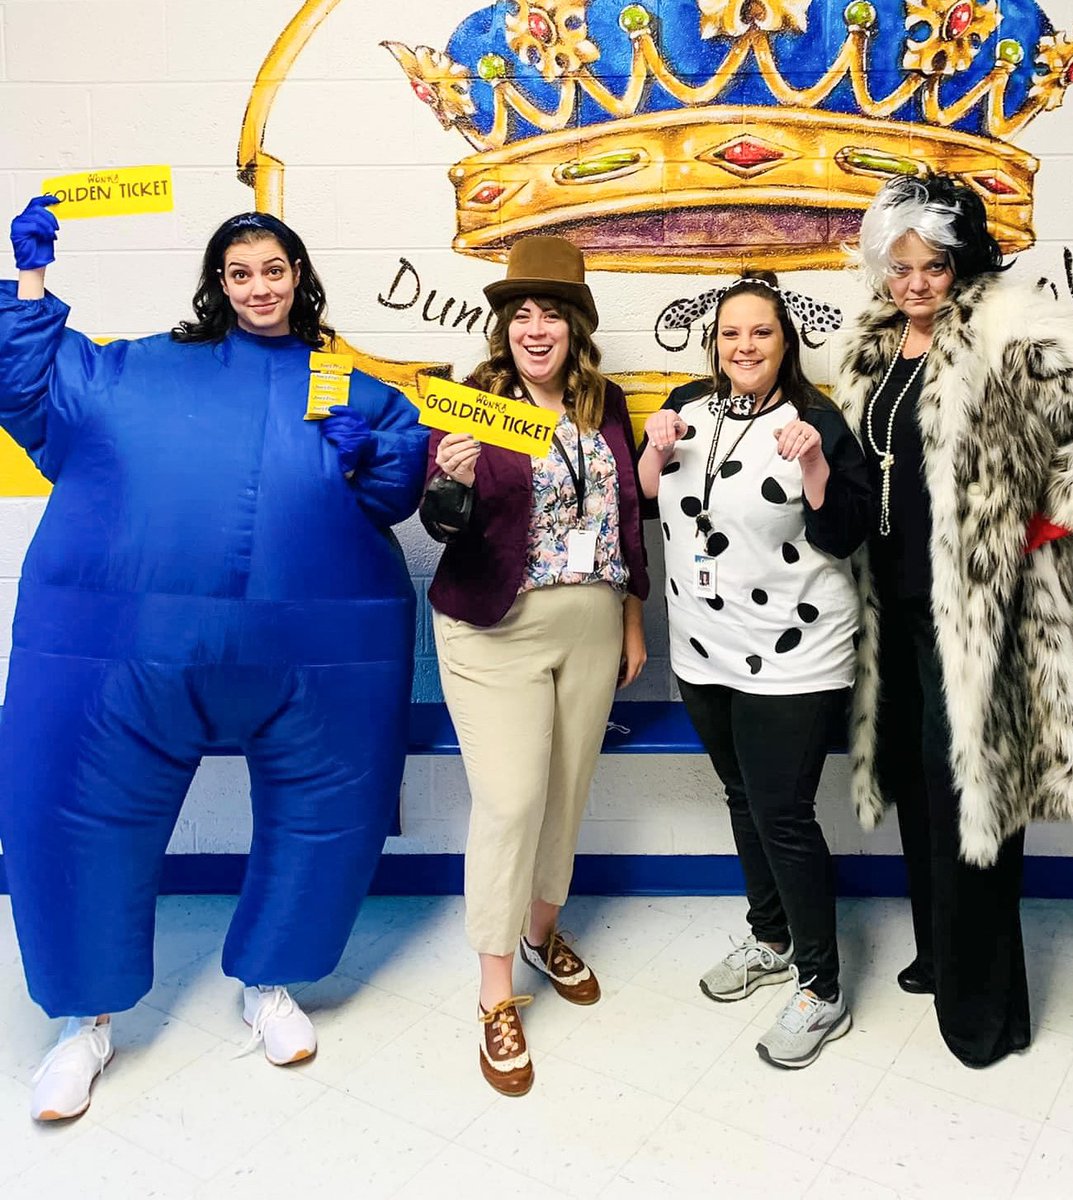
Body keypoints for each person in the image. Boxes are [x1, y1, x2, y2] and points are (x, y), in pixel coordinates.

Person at [0, 198, 428, 1120]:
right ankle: (88, 1024)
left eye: (274, 270)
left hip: (317, 652)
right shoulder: (145, 371)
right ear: (218, 283)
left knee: (328, 817)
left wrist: (375, 456)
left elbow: (402, 483)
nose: (259, 287)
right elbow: (32, 387)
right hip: (130, 650)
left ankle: (271, 984)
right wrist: (31, 280)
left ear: (300, 277)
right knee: (79, 816)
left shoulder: (348, 382)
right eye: (241, 273)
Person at [837, 174, 1073, 1067]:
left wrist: (1053, 516)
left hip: (979, 618)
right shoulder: (872, 346)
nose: (914, 283)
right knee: (916, 784)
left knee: (974, 803)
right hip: (894, 611)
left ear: (963, 262)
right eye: (899, 266)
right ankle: (942, 957)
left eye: (933, 265)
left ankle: (986, 1015)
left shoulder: (1006, 327)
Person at [419, 235, 649, 1096]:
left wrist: (632, 620)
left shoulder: (606, 402)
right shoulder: (476, 401)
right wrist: (452, 480)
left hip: (591, 622)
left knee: (566, 790)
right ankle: (494, 993)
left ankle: (542, 931)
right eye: (522, 313)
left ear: (577, 327)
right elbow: (438, 521)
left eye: (552, 312)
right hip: (494, 626)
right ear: (504, 328)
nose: (536, 327)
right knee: (511, 801)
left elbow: (629, 519)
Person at [639, 271, 870, 1069]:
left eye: (761, 333)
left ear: (785, 343)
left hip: (794, 656)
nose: (745, 346)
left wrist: (813, 464)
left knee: (783, 812)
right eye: (732, 333)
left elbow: (844, 532)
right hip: (703, 648)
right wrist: (653, 448)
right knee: (743, 795)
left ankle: (823, 983)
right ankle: (771, 937)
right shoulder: (685, 406)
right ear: (714, 342)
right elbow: (647, 500)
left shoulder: (817, 419)